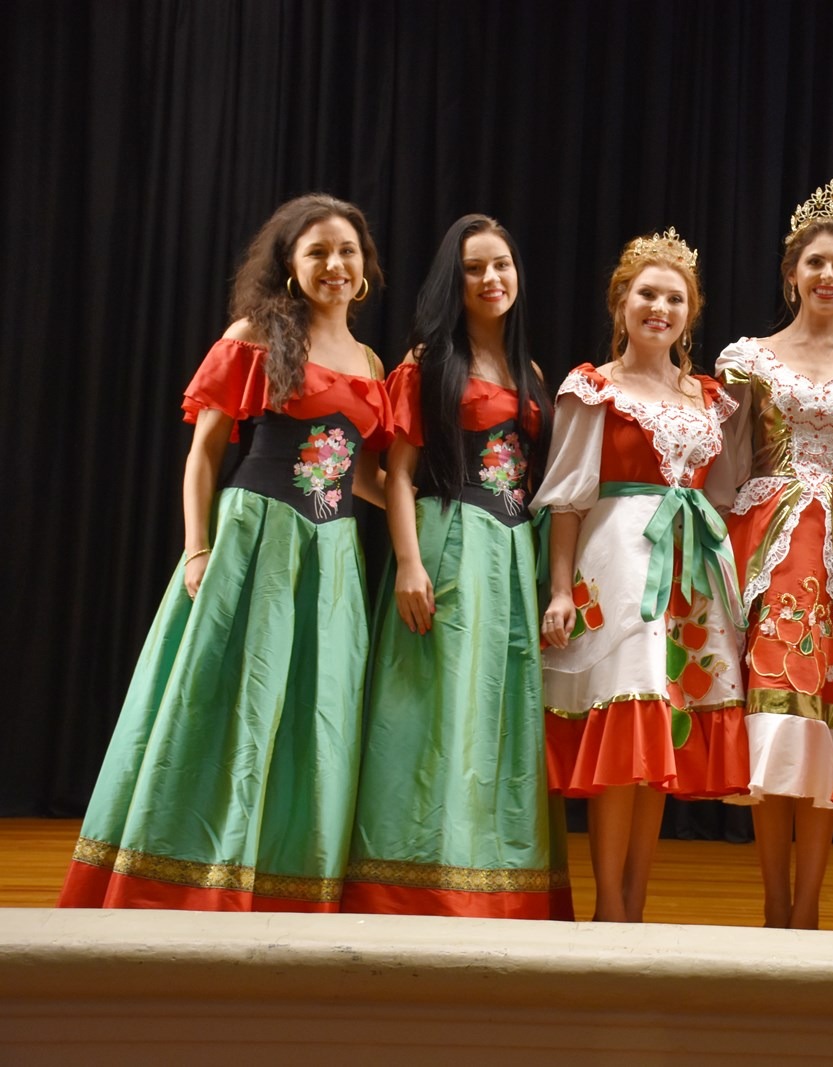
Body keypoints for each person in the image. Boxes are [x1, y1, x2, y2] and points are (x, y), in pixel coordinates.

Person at [59, 194, 391, 911]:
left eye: (346, 251)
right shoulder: (256, 336)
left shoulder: (369, 360)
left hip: (332, 554)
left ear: (364, 266)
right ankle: (189, 877)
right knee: (236, 702)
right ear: (291, 265)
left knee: (314, 710)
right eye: (317, 252)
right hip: (258, 538)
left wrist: (428, 508)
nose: (334, 264)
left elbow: (359, 471)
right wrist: (197, 547)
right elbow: (204, 453)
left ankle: (284, 882)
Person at [342, 215, 570, 919]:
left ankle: (497, 886)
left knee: (501, 710)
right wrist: (409, 563)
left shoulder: (530, 372)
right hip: (452, 539)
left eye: (501, 264)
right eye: (474, 268)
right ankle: (416, 883)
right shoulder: (429, 362)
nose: (491, 278)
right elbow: (398, 476)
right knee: (438, 707)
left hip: (513, 551)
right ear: (455, 279)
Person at [707, 181, 833, 929]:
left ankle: (810, 907)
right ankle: (772, 904)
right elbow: (723, 466)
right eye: (816, 262)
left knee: (825, 722)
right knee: (774, 713)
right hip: (769, 542)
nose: (828, 275)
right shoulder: (747, 359)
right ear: (791, 272)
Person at [535, 227, 747, 922]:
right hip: (621, 562)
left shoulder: (708, 397)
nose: (661, 308)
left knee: (661, 734)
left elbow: (723, 492)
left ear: (692, 311)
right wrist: (560, 589)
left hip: (690, 571)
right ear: (621, 302)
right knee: (625, 718)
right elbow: (568, 497)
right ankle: (608, 906)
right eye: (648, 294)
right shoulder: (593, 389)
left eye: (675, 298)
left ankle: (636, 901)